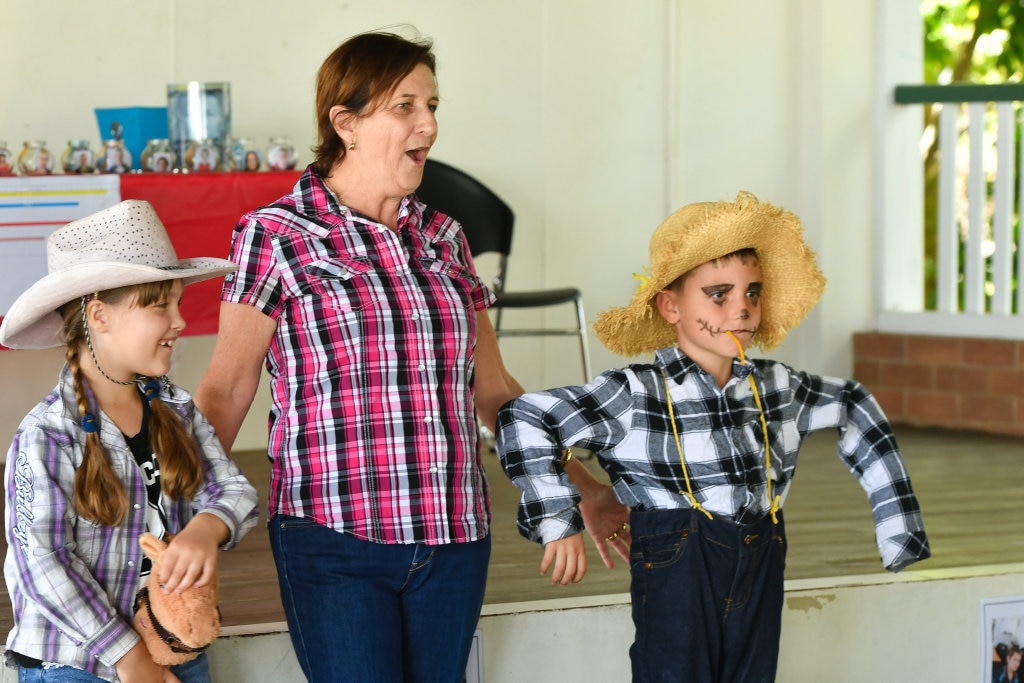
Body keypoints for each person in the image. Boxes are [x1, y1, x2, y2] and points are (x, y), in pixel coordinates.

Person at [193, 29, 628, 682]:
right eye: (404, 106)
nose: (427, 124)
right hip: (331, 536)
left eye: (432, 105)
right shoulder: (274, 236)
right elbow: (226, 390)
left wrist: (583, 485)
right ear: (346, 123)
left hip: (453, 534)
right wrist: (180, 514)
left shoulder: (445, 238)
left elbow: (496, 392)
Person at [495, 192, 932, 682]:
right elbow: (524, 418)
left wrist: (898, 525)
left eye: (753, 292)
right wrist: (558, 518)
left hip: (762, 558)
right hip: (678, 568)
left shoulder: (779, 386)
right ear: (671, 306)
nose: (741, 309)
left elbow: (852, 403)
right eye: (718, 294)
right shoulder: (635, 393)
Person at [0, 200, 259, 683]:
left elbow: (235, 491)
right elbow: (43, 564)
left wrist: (207, 529)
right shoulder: (48, 435)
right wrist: (129, 658)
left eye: (178, 302)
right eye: (160, 304)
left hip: (171, 650)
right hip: (78, 664)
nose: (179, 321)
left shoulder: (176, 411)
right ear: (99, 316)